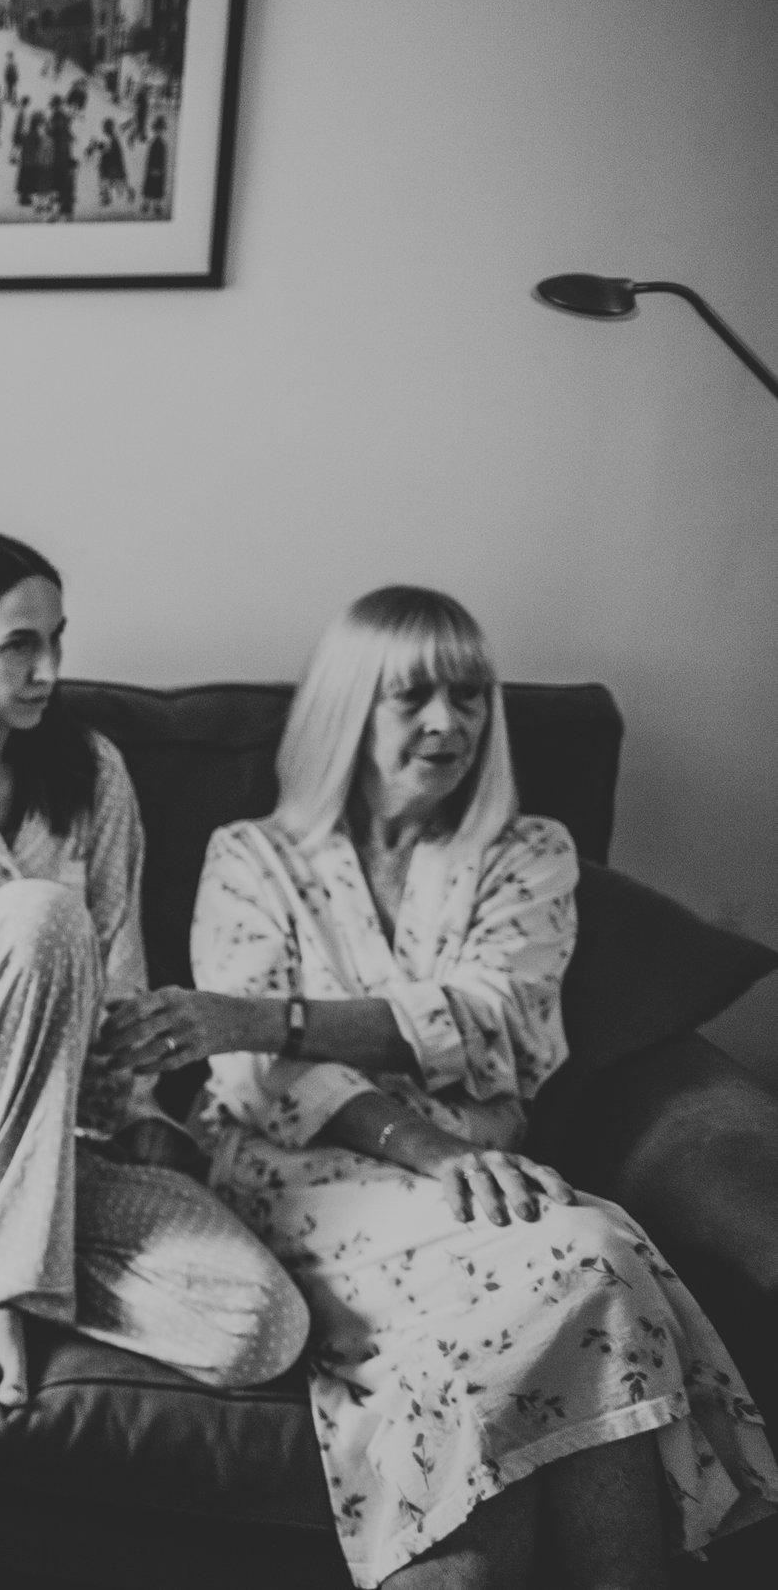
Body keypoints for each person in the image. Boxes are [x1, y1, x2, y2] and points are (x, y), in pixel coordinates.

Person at [102, 587, 778, 1588]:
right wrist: (428, 1143)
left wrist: (271, 1013)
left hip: (478, 1185)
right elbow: (253, 1080)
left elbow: (496, 1017)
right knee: (592, 1255)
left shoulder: (528, 854)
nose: (446, 722)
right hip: (299, 1181)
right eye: (410, 696)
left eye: (468, 697)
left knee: (558, 1294)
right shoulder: (250, 859)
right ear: (347, 710)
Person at [0, 534, 307, 1410]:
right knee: (40, 914)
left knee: (265, 1326)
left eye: (57, 641)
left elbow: (123, 973)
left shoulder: (94, 773)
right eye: (20, 645)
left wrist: (129, 1097)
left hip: (57, 1142)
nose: (49, 669)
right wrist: (8, 1006)